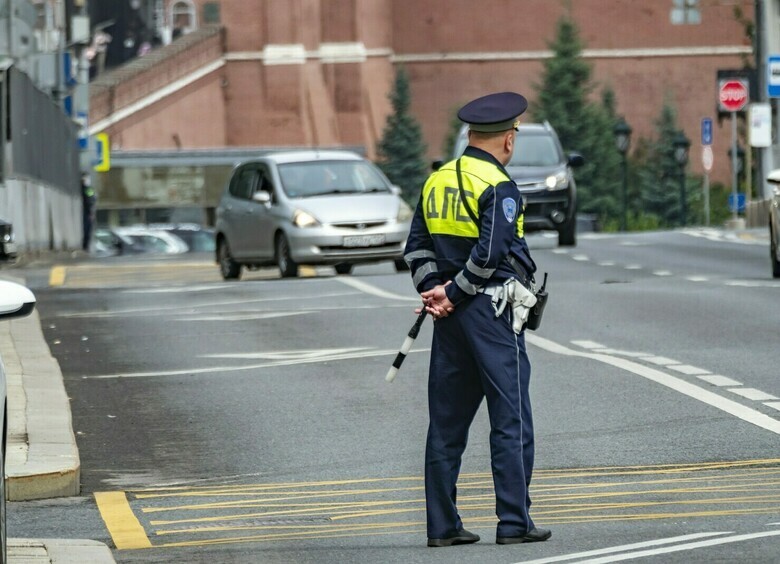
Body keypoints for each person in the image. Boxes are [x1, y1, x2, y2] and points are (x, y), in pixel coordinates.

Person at [403, 91, 550, 547]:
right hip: (491, 314)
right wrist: (453, 292)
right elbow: (489, 255)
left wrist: (436, 292)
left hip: (448, 321)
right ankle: (514, 521)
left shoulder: (437, 180)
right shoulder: (499, 187)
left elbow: (416, 248)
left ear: (470, 135)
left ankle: (443, 528)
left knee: (445, 426)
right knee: (511, 418)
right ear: (508, 140)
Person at [81, 173, 96, 252]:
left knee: (87, 230)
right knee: (87, 229)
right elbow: (91, 199)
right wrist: (91, 211)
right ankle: (85, 246)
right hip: (87, 212)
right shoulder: (86, 189)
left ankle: (85, 246)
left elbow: (91, 198)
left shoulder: (87, 189)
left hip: (87, 211)